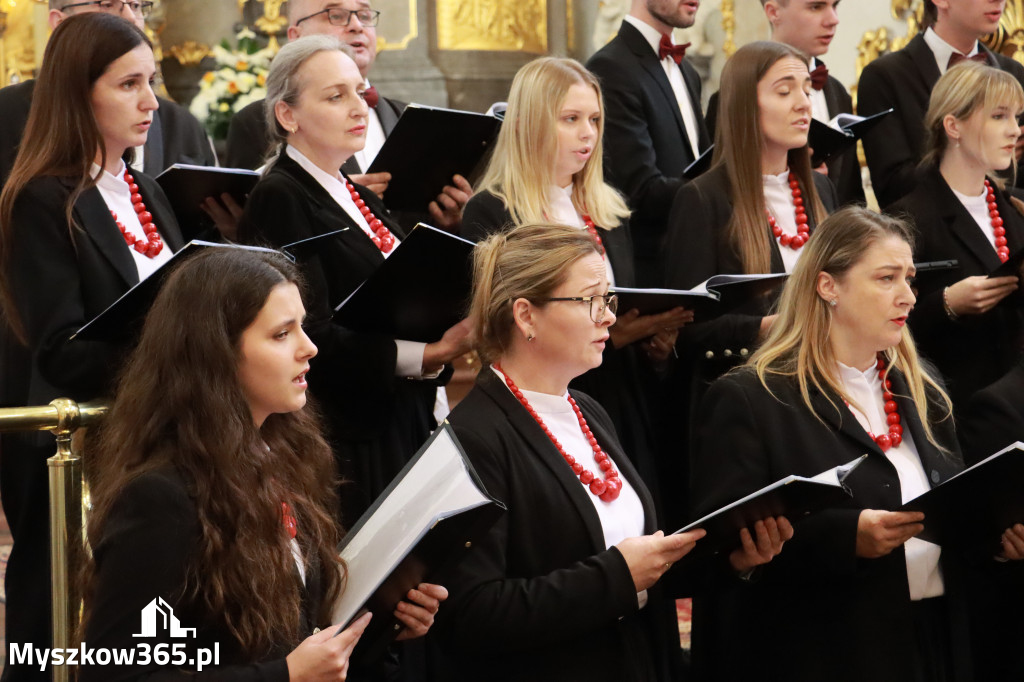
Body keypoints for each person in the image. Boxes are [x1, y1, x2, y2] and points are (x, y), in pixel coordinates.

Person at [438, 222, 789, 681]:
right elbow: (474, 613)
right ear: (525, 315)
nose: (607, 317)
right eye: (590, 300)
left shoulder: (587, 410)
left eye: (609, 300)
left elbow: (641, 568)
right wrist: (615, 577)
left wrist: (731, 562)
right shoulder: (474, 437)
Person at [690, 206, 1024, 681]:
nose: (908, 296)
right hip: (829, 650)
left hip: (935, 639)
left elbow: (951, 511)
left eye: (909, 278)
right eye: (886, 278)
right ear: (829, 286)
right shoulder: (752, 397)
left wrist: (996, 539)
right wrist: (846, 539)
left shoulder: (921, 388)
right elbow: (723, 555)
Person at [81, 247, 446, 681]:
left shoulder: (288, 459)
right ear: (217, 354)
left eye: (304, 329)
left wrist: (380, 623)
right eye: (281, 334)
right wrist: (286, 676)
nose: (310, 349)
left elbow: (294, 634)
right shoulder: (161, 496)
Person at [0, 13, 185, 681]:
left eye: (152, 82)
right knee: (58, 636)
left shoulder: (147, 190)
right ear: (80, 95)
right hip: (78, 451)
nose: (149, 102)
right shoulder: (41, 199)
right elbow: (60, 349)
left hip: (155, 442)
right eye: (129, 84)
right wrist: (172, 350)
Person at [237, 35, 472, 525]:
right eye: (335, 95)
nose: (359, 107)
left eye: (360, 91)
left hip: (396, 412)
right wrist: (425, 355)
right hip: (345, 434)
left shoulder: (354, 190)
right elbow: (308, 332)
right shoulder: (281, 195)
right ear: (288, 115)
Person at [460, 56, 691, 515]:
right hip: (539, 400)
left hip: (620, 397)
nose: (588, 133)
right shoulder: (493, 212)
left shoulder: (607, 210)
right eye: (571, 119)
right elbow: (497, 327)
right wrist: (613, 332)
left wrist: (653, 338)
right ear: (529, 123)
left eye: (594, 119)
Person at [661, 42, 837, 507]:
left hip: (826, 389)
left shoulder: (820, 188)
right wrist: (769, 328)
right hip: (750, 409)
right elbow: (687, 331)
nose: (804, 102)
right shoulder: (702, 199)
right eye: (785, 90)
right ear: (744, 103)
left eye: (806, 87)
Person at [225, 0, 470, 233]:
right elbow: (258, 232)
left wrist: (450, 221)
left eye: (364, 15)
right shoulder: (256, 122)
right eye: (336, 15)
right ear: (295, 36)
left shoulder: (410, 118)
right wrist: (335, 195)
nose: (357, 25)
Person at [889, 62, 1024, 416]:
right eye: (999, 116)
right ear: (953, 125)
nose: (1014, 130)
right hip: (958, 409)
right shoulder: (908, 219)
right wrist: (946, 304)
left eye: (1016, 117)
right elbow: (880, 326)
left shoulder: (1015, 208)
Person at [0, 0, 215, 186]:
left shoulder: (184, 126)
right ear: (60, 22)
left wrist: (229, 232)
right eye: (107, 4)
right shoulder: (8, 114)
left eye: (136, 5)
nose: (130, 17)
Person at [586, 0, 711, 285]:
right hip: (652, 275)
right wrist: (727, 185)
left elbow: (698, 165)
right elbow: (639, 192)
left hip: (695, 262)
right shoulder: (611, 66)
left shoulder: (687, 72)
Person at [859, 0, 1024, 209]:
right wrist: (970, 156)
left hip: (1006, 228)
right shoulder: (885, 76)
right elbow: (892, 188)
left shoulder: (1014, 72)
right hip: (926, 232)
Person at [708, 0, 864, 206]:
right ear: (773, 12)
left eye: (835, 6)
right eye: (816, 7)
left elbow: (851, 192)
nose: (833, 20)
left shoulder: (837, 92)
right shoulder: (731, 98)